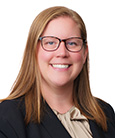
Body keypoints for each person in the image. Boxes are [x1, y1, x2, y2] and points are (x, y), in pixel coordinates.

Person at [0, 6, 115, 138]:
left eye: (72, 43)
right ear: (33, 51)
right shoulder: (7, 117)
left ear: (84, 53)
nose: (62, 53)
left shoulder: (105, 114)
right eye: (50, 42)